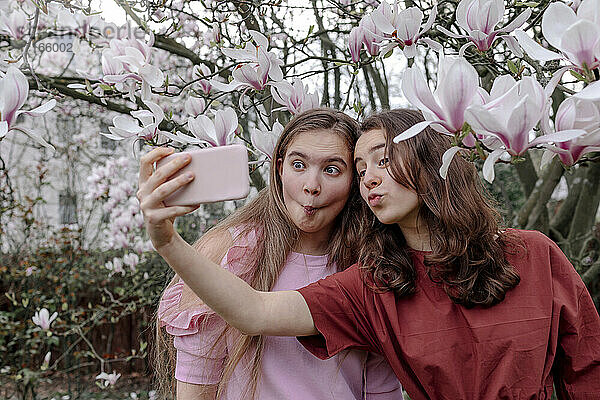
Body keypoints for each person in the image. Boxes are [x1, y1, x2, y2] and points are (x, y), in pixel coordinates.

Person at [139, 109, 600, 399]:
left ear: (428, 158)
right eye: (361, 170)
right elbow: (255, 312)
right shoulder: (375, 284)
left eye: (383, 159)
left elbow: (588, 368)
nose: (371, 178)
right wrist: (166, 241)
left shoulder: (533, 254)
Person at [146, 108, 403, 399]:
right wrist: (167, 241)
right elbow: (197, 386)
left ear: (353, 182)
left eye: (332, 169)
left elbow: (381, 388)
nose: (311, 186)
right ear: (279, 168)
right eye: (298, 165)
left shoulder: (368, 266)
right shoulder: (228, 253)